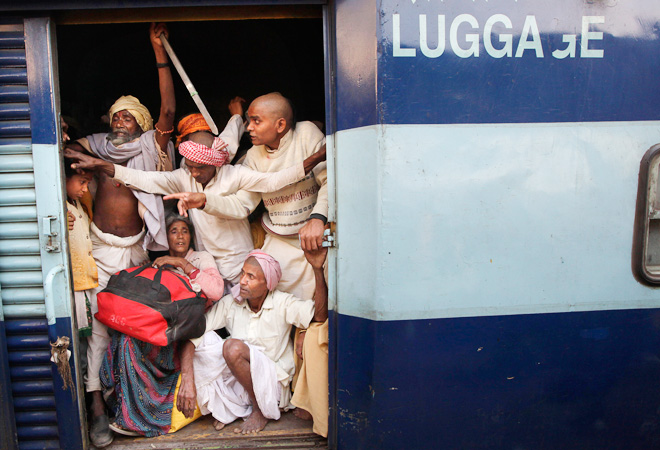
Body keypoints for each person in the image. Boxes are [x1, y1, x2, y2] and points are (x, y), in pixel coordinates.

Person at [63, 22, 176, 448]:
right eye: (115, 115)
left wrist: (159, 53)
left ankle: (134, 405)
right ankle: (96, 407)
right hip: (97, 250)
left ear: (141, 123)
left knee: (137, 327)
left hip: (139, 253)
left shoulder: (151, 145)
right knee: (100, 330)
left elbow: (168, 113)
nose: (120, 119)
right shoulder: (92, 148)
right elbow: (64, 150)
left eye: (128, 115)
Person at [65, 118, 326, 284]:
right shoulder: (182, 177)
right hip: (205, 266)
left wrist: (316, 158)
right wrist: (102, 164)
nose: (193, 173)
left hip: (239, 265)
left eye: (199, 168)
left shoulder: (235, 175)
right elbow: (143, 178)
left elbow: (273, 182)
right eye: (189, 166)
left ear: (214, 163)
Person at [175, 247, 328, 435]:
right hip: (241, 382)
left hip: (272, 386)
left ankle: (259, 409)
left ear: (268, 284)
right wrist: (187, 379)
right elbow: (193, 334)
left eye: (251, 277)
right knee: (203, 339)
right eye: (242, 273)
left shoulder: (282, 303)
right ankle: (236, 409)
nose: (242, 281)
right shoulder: (231, 303)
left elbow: (319, 315)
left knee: (232, 348)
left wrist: (318, 270)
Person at [100, 213, 225, 438]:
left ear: (191, 236)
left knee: (134, 344)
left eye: (184, 231)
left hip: (181, 335)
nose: (179, 236)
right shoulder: (158, 262)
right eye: (173, 231)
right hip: (159, 330)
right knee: (124, 339)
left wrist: (182, 264)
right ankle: (125, 412)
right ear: (166, 237)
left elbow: (216, 291)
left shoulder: (201, 258)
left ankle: (141, 420)